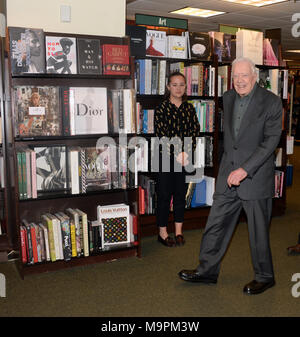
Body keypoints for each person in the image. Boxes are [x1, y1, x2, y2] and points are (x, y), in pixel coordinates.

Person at [178, 57, 283, 295]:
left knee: (258, 232)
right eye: (235, 76)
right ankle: (207, 271)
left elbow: (270, 143)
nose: (239, 81)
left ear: (254, 77)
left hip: (254, 177)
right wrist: (228, 166)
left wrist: (245, 169)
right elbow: (232, 139)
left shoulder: (272, 103)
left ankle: (265, 277)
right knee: (215, 224)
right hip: (228, 174)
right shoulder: (228, 98)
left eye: (244, 75)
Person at [154, 71, 201, 247]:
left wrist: (186, 154)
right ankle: (163, 232)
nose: (178, 88)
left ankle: (179, 231)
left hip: (185, 158)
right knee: (165, 196)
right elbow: (161, 135)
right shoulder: (161, 108)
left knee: (180, 195)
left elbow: (194, 132)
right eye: (174, 84)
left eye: (182, 84)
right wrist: (178, 153)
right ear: (168, 87)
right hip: (165, 158)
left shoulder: (189, 108)